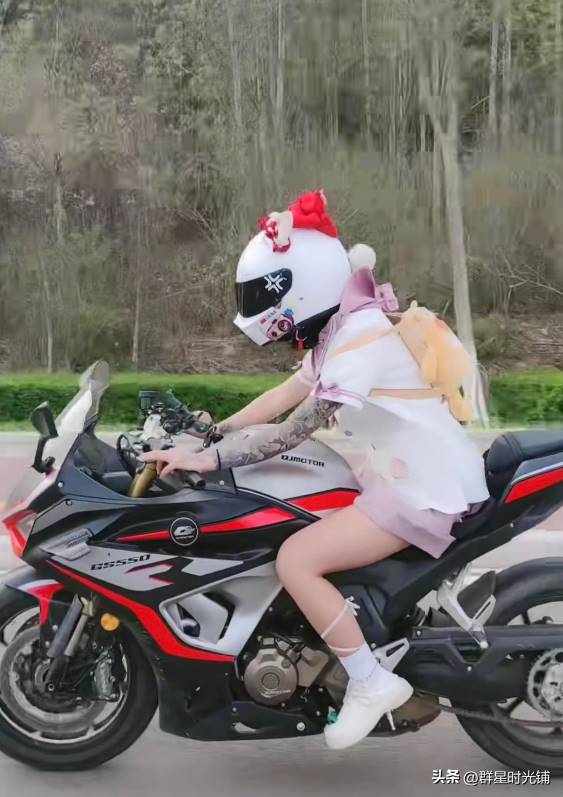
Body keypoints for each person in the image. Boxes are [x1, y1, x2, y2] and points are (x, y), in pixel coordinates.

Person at [141, 190, 490, 750]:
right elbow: (283, 395)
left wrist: (210, 458)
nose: (264, 313)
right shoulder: (341, 330)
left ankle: (370, 684)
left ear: (301, 288)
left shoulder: (359, 339)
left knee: (296, 560)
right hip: (403, 475)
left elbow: (296, 426)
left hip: (421, 489)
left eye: (266, 295)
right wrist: (212, 432)